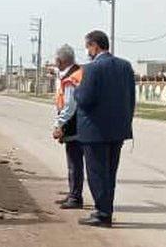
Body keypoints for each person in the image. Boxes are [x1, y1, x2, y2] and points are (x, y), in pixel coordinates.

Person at [73, 30, 135, 228]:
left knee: (97, 174)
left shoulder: (91, 69)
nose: (87, 52)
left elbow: (84, 99)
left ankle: (102, 213)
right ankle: (106, 210)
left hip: (95, 132)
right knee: (109, 173)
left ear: (95, 46)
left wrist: (76, 90)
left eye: (88, 47)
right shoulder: (125, 66)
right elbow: (131, 98)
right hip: (117, 130)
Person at [51, 44, 85, 210]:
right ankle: (73, 193)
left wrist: (59, 123)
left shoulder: (71, 78)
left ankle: (75, 196)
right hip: (77, 124)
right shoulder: (74, 73)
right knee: (74, 163)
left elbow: (70, 106)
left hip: (74, 125)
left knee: (74, 163)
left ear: (60, 60)